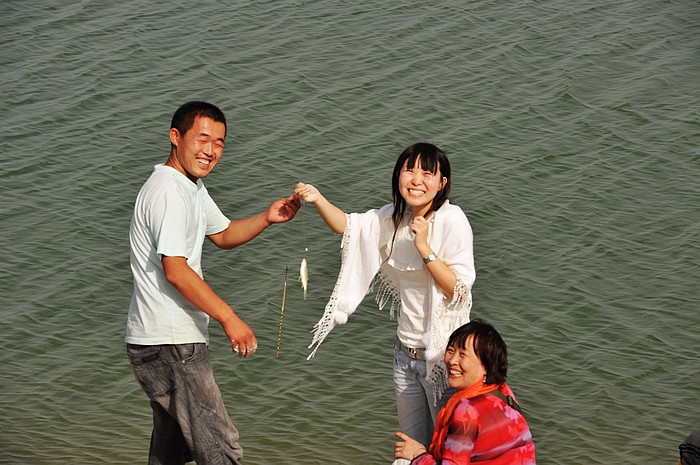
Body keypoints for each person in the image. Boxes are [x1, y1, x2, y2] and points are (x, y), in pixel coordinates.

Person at [126, 101, 300, 464]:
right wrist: (228, 317)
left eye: (219, 142)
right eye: (202, 139)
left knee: (173, 449)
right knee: (221, 449)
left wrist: (267, 218)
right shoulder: (169, 192)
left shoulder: (191, 187)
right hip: (172, 342)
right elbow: (175, 270)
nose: (210, 151)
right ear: (176, 137)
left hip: (156, 341)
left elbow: (222, 233)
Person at [295, 142, 476, 448]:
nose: (416, 180)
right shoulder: (392, 217)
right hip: (404, 357)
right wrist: (318, 199)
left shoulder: (452, 220)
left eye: (427, 173)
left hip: (445, 362)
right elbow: (350, 227)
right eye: (409, 170)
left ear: (442, 183)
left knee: (447, 450)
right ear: (398, 175)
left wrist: (425, 248)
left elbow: (458, 291)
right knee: (410, 447)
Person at [393, 319, 536, 464]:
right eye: (450, 351)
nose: (452, 360)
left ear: (486, 365)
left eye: (463, 355)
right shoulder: (503, 393)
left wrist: (418, 454)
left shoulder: (467, 411)